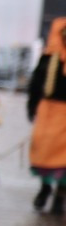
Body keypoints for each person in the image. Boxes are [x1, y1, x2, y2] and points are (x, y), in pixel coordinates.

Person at [28, 16, 66, 215]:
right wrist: (32, 106)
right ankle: (45, 187)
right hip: (49, 111)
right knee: (44, 150)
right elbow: (36, 82)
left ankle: (60, 194)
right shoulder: (49, 57)